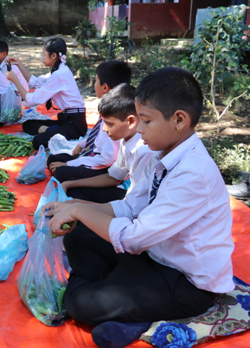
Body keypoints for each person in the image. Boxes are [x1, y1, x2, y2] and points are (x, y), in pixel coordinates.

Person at [44, 67, 234, 348]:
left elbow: (134, 238)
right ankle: (123, 300)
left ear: (179, 119)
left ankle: (130, 308)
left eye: (145, 121)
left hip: (184, 281)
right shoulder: (162, 153)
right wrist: (74, 206)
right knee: (79, 234)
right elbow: (131, 205)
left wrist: (80, 210)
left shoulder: (193, 173)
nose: (139, 129)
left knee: (80, 305)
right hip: (153, 256)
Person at [60, 84, 153, 203]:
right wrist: (70, 184)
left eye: (109, 124)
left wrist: (79, 207)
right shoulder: (126, 140)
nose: (103, 129)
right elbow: (114, 177)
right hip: (133, 199)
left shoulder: (144, 150)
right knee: (74, 191)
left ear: (130, 121)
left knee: (76, 201)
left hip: (139, 204)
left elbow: (137, 203)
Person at [44, 60, 132, 182]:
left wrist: (71, 164)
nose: (106, 128)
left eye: (96, 81)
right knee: (53, 160)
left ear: (105, 87)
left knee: (61, 171)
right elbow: (98, 137)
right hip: (93, 156)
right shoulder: (109, 109)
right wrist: (81, 145)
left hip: (104, 166)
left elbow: (106, 160)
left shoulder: (117, 119)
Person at [5, 38, 87, 150]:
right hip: (66, 120)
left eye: (44, 54)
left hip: (75, 125)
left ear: (53, 56)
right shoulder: (58, 71)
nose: (41, 57)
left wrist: (15, 80)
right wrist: (19, 64)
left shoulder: (59, 75)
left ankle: (55, 131)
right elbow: (35, 83)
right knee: (28, 124)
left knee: (38, 141)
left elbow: (32, 100)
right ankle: (54, 131)